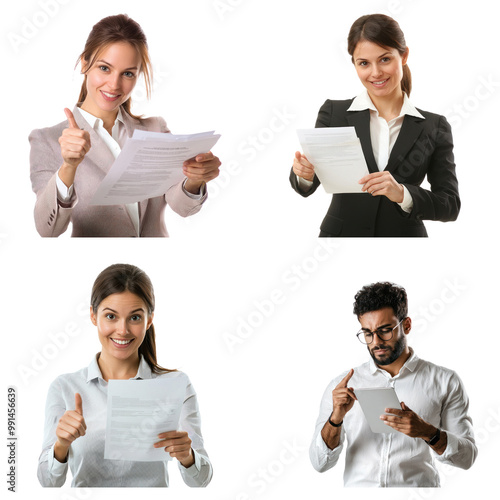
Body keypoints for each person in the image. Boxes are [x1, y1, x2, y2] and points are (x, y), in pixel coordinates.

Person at [29, 14, 220, 237]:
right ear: (84, 63)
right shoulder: (48, 140)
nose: (114, 84)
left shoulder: (155, 129)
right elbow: (47, 229)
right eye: (104, 68)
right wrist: (69, 167)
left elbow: (181, 206)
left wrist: (195, 178)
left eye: (128, 73)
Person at [37, 264, 212, 487]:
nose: (122, 330)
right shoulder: (65, 387)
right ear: (93, 315)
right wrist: (61, 445)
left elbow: (201, 481)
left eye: (135, 318)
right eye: (111, 316)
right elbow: (47, 481)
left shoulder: (176, 385)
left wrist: (188, 456)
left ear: (149, 320)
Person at [290, 14, 460, 237]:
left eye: (385, 59)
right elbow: (308, 185)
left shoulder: (434, 126)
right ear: (354, 64)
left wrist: (402, 193)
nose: (376, 73)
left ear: (404, 55)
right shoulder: (334, 113)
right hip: (338, 241)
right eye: (364, 63)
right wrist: (304, 174)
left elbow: (449, 205)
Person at [310, 282, 476, 487]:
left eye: (385, 330)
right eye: (368, 333)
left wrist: (428, 432)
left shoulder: (445, 381)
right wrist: (336, 418)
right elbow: (319, 463)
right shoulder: (343, 385)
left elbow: (467, 458)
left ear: (406, 325)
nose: (376, 342)